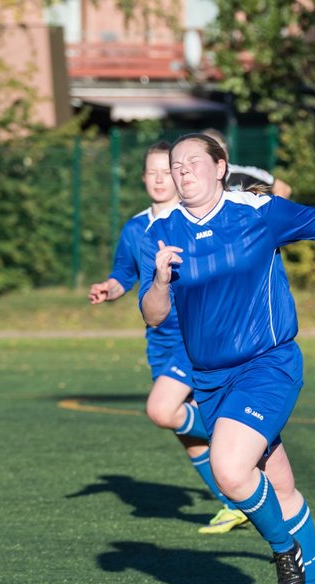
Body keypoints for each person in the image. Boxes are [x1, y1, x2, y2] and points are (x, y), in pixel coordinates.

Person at [138, 132, 315, 584]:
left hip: (267, 364)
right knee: (281, 486)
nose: (183, 170)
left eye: (193, 161)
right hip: (209, 379)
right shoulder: (162, 232)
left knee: (231, 471)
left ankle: (283, 554)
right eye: (175, 164)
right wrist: (162, 282)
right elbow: (152, 314)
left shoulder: (257, 211)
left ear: (221, 167)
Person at [88, 141, 249, 535]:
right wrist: (111, 287)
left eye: (168, 171)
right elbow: (127, 273)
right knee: (182, 430)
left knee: (162, 410)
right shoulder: (135, 227)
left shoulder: (194, 220)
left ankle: (237, 436)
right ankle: (235, 502)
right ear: (143, 178)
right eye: (153, 172)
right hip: (158, 339)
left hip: (192, 336)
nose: (161, 179)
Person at [201, 128, 293, 198]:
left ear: (226, 151)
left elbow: (283, 189)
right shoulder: (193, 180)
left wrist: (268, 219)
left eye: (217, 149)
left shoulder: (245, 175)